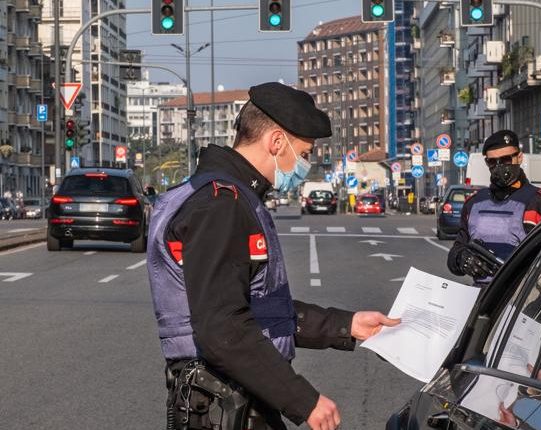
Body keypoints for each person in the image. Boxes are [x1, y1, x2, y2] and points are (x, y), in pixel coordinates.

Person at [147, 82, 400, 430]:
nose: (306, 165)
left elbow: (258, 308)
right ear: (277, 142)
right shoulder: (221, 204)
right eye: (306, 153)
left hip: (234, 400)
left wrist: (348, 325)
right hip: (223, 405)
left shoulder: (227, 195)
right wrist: (303, 401)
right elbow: (223, 327)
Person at [447, 130, 541, 285]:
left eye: (506, 159)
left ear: (519, 157)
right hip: (482, 297)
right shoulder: (473, 204)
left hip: (526, 298)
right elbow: (456, 250)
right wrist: (461, 258)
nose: (499, 166)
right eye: (492, 162)